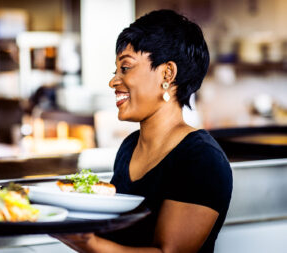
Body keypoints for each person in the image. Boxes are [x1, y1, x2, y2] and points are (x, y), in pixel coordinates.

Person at [55, 9, 233, 253]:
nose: (113, 81)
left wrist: (88, 242)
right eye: (115, 70)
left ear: (167, 74)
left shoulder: (201, 158)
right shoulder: (130, 147)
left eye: (126, 67)